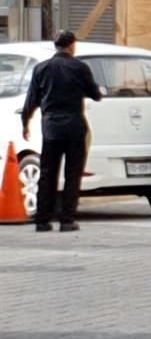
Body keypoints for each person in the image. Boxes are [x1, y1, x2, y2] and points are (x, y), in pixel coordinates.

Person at [21, 30, 102, 232]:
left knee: (47, 173)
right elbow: (95, 94)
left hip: (51, 127)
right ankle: (67, 220)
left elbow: (31, 99)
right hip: (74, 125)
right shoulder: (80, 67)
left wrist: (25, 123)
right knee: (73, 174)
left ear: (55, 45)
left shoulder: (41, 68)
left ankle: (42, 220)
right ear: (72, 45)